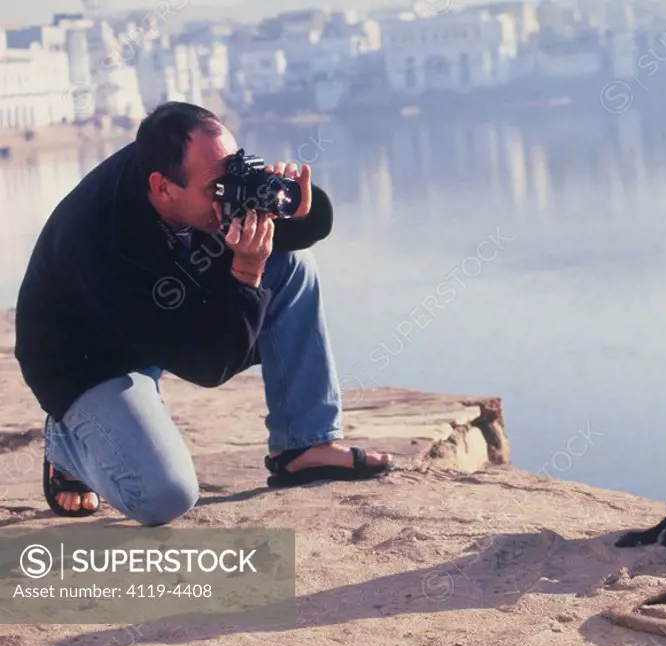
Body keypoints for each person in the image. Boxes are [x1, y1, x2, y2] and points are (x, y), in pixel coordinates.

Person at [14, 101, 393, 526]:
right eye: (219, 186)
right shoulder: (100, 243)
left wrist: (296, 205)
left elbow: (294, 234)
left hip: (164, 305)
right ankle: (68, 444)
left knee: (290, 267)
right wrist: (246, 272)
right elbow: (210, 364)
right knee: (165, 496)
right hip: (87, 359)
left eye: (236, 169)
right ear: (162, 188)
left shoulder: (200, 173)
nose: (230, 190)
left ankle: (303, 445)